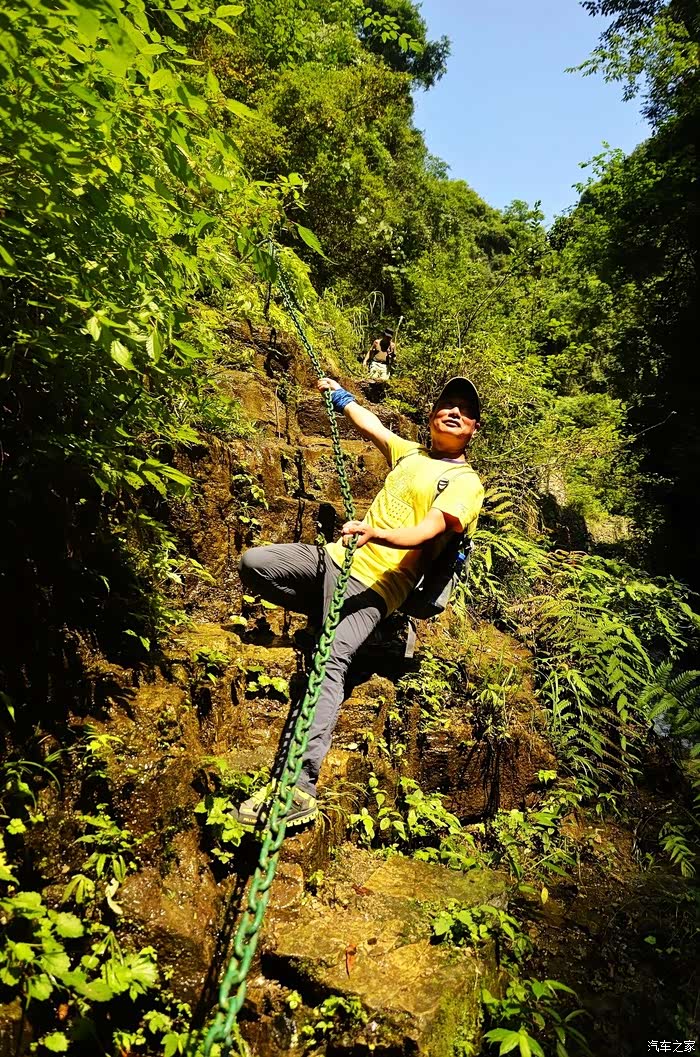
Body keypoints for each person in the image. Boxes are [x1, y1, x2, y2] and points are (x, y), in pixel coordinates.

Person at [237, 375, 484, 828]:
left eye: (465, 411)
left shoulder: (464, 482)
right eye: (448, 404)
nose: (454, 412)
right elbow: (372, 426)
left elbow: (428, 529)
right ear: (432, 416)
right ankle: (358, 628)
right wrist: (341, 397)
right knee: (255, 565)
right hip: (334, 559)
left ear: (473, 429)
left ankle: (298, 787)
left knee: (328, 659)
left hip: (378, 582)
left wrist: (377, 534)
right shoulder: (411, 453)